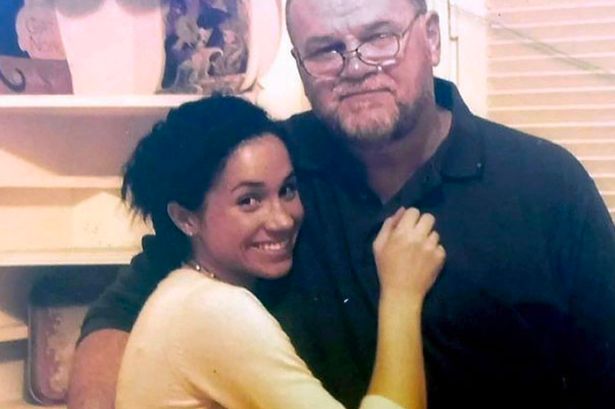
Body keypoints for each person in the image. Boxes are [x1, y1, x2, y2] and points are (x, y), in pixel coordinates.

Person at [68, 0, 615, 408]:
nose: (355, 66)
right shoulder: (272, 167)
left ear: (431, 39)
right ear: (300, 64)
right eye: (326, 50)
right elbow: (128, 307)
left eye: (380, 38)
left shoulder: (546, 184)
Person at [112, 95, 444, 408]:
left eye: (287, 190)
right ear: (186, 218)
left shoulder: (184, 293)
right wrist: (401, 296)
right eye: (249, 200)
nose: (283, 219)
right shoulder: (214, 310)